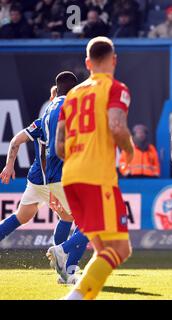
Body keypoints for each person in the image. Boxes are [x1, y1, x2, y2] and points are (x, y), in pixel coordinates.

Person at [55, 36, 134, 300]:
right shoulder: (116, 88)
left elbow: (59, 146)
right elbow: (116, 127)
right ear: (114, 60)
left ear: (88, 63)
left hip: (71, 178)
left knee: (102, 250)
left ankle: (80, 296)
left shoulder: (72, 95)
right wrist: (130, 151)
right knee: (121, 249)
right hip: (97, 178)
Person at [0, 75, 83, 283]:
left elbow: (16, 140)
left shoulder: (42, 119)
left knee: (21, 216)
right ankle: (68, 268)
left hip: (36, 179)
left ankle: (63, 266)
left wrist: (9, 166)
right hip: (55, 178)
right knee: (87, 222)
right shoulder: (68, 109)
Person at [40, 72, 90, 285]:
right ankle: (63, 253)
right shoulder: (71, 107)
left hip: (52, 175)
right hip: (70, 172)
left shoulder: (48, 110)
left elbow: (43, 149)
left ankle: (66, 273)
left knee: (68, 218)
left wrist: (47, 185)